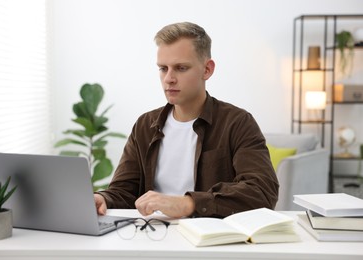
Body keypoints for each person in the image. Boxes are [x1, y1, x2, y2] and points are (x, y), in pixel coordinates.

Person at [94, 22, 278, 218]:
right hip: (152, 237)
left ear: (207, 70)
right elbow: (124, 191)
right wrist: (103, 198)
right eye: (163, 68)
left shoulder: (237, 123)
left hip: (208, 241)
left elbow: (262, 191)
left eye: (181, 68)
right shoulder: (144, 125)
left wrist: (189, 204)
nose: (169, 78)